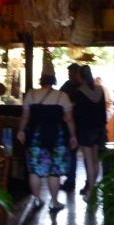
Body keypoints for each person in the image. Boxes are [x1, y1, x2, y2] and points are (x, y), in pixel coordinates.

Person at [18, 72, 78, 211]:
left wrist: (21, 131)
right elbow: (69, 119)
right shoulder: (62, 96)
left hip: (35, 137)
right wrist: (73, 136)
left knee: (34, 170)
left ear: (41, 81)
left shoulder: (31, 94)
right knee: (54, 171)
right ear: (54, 81)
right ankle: (54, 202)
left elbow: (25, 117)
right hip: (57, 137)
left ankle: (36, 199)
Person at [74, 65, 107, 201]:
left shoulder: (80, 92)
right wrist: (102, 128)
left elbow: (79, 115)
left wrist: (76, 132)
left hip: (86, 130)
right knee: (95, 161)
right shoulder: (100, 90)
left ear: (81, 76)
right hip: (98, 129)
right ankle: (93, 190)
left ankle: (91, 192)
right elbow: (103, 112)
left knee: (88, 161)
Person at [60, 63, 82, 191]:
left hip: (79, 123)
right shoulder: (67, 86)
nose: (70, 76)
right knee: (70, 153)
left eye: (72, 73)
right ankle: (70, 179)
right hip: (68, 123)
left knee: (73, 153)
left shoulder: (81, 86)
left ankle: (71, 180)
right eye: (69, 73)